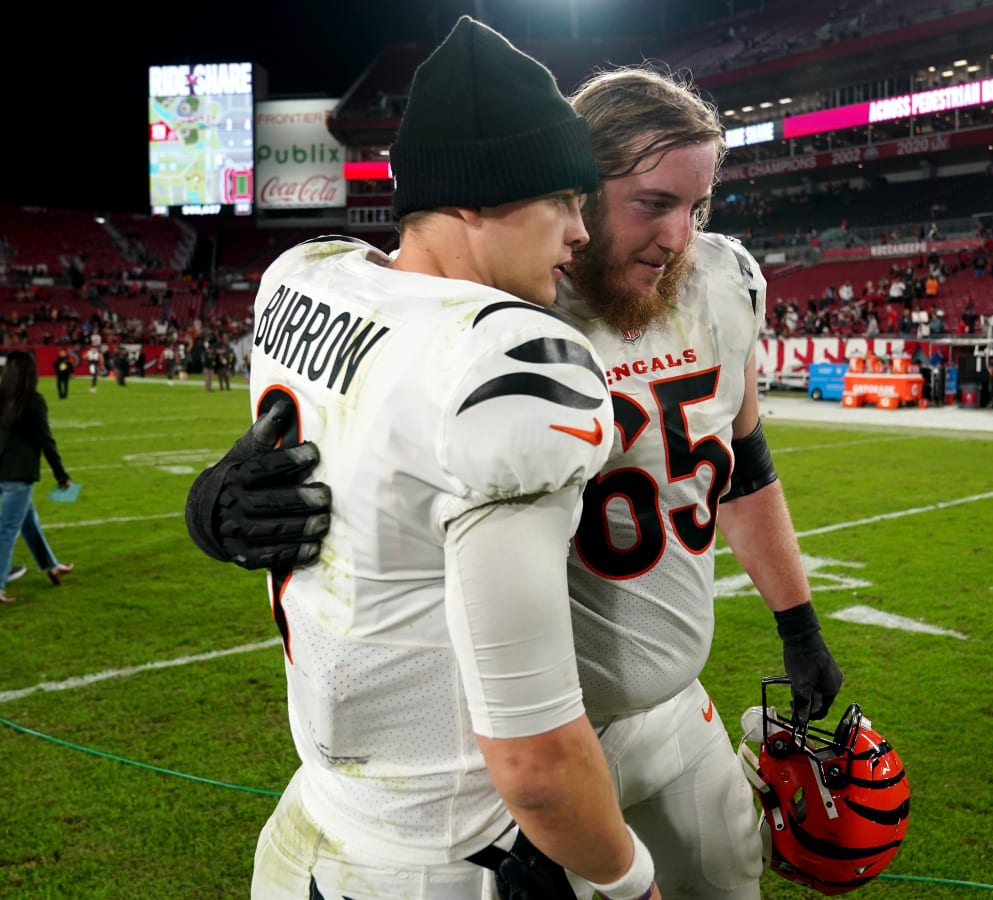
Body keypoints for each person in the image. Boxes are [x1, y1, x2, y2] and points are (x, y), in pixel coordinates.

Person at [189, 59, 843, 900]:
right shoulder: (495, 312)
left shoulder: (720, 285)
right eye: (651, 204)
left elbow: (744, 470)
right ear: (570, 187)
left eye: (698, 205)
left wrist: (798, 623)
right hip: (532, 732)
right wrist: (214, 502)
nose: (681, 235)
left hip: (671, 706)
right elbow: (360, 415)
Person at [188, 17, 660, 900]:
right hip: (443, 853)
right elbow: (537, 757)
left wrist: (205, 506)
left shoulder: (305, 276)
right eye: (561, 200)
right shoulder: (507, 363)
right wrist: (631, 883)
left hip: (311, 820)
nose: (580, 233)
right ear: (474, 199)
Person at [0, 351, 74, 604]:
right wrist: (61, 475)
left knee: (27, 522)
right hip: (18, 475)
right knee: (8, 529)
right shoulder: (32, 400)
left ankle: (51, 566)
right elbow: (46, 441)